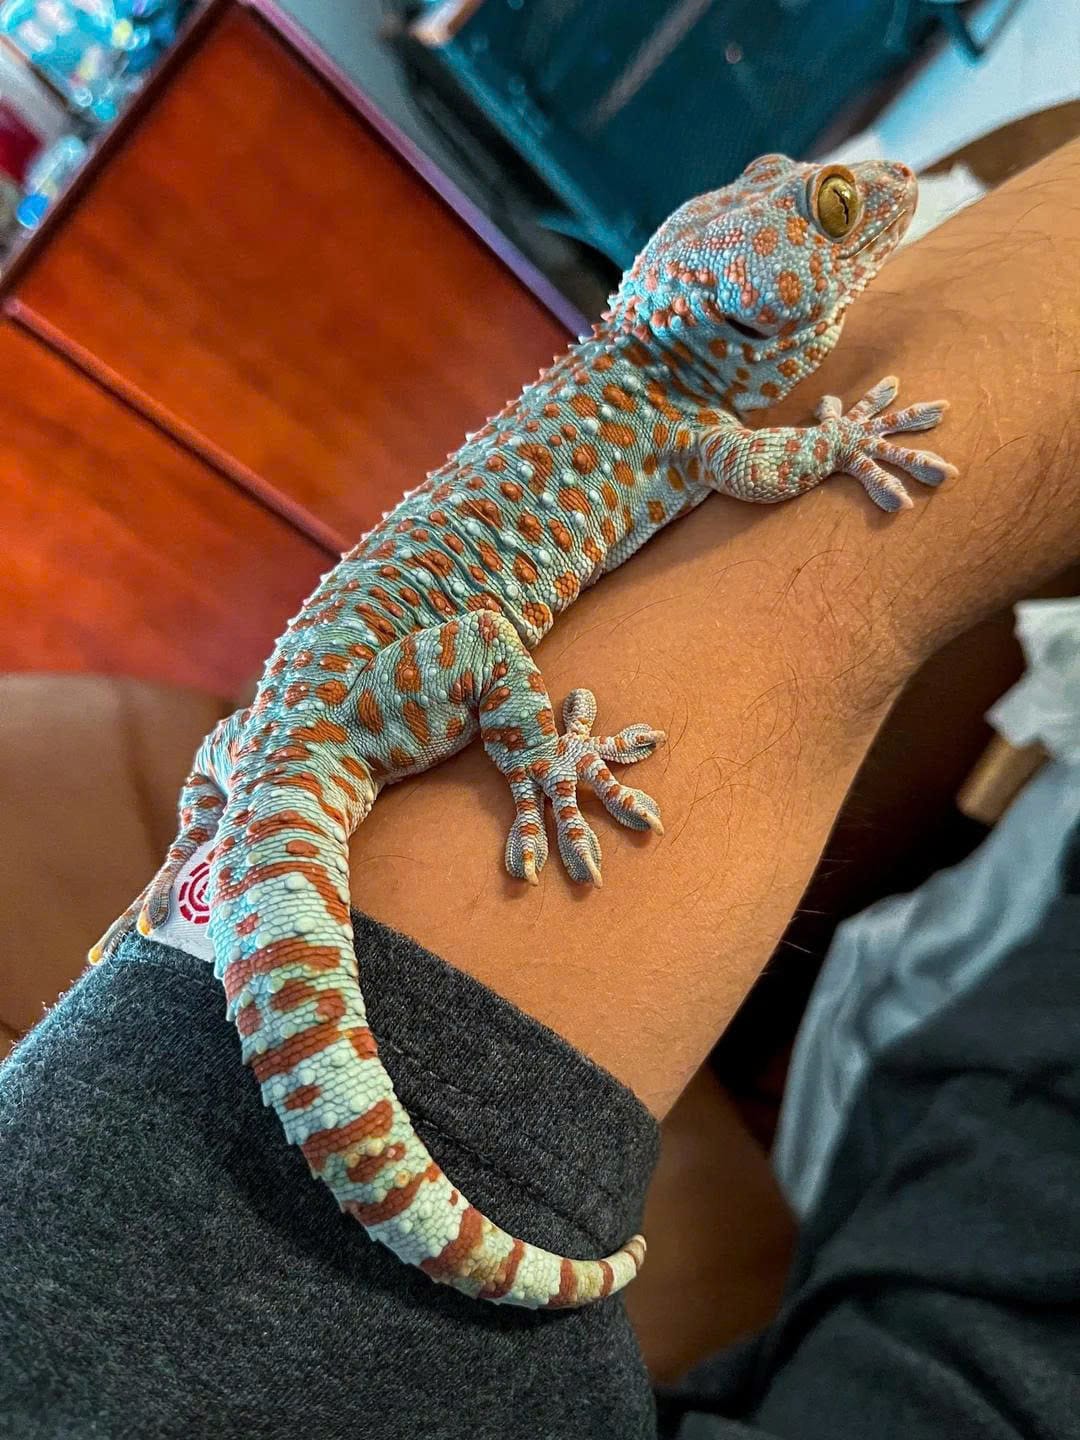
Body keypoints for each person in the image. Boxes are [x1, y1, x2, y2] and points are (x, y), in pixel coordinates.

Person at [1, 137, 1078, 1439]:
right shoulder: (688, 434)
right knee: (473, 652)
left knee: (284, 748)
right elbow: (781, 468)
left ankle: (223, 843)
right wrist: (541, 753)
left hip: (276, 737)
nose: (876, 207)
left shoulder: (643, 401)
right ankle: (503, 759)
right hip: (344, 730)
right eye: (840, 212)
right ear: (733, 304)